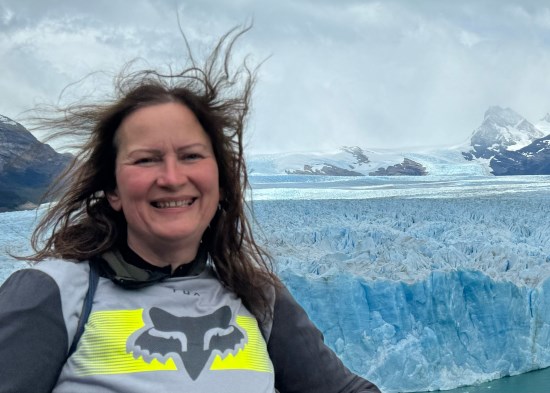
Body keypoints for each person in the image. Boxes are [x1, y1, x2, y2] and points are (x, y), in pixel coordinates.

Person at [0, 26, 381, 393]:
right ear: (112, 189)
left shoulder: (258, 297)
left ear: (219, 180)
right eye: (146, 159)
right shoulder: (55, 293)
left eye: (191, 156)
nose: (171, 177)